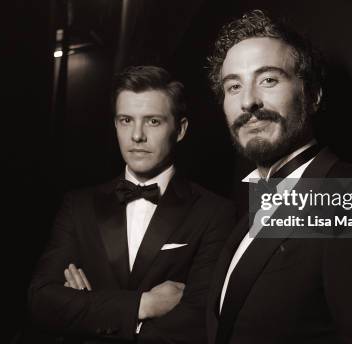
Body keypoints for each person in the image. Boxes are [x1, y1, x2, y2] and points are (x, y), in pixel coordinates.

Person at [205, 10, 352, 344]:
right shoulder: (245, 215)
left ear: (313, 96)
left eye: (269, 79)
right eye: (234, 87)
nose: (249, 101)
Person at [29, 65, 235, 343]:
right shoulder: (78, 205)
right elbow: (42, 301)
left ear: (180, 129)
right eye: (126, 120)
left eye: (153, 121)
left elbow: (197, 323)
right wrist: (143, 305)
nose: (137, 135)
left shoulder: (214, 212)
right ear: (115, 125)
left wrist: (89, 311)